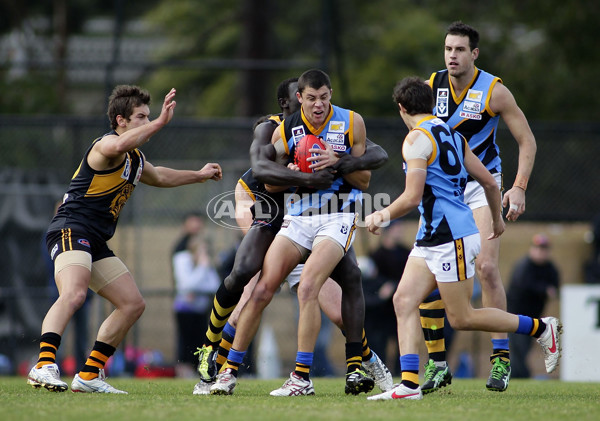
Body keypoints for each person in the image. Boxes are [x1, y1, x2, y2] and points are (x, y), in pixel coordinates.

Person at [193, 76, 392, 395]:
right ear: (293, 101)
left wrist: (337, 163)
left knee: (346, 284)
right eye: (308, 99)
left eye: (323, 98)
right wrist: (299, 174)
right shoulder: (274, 129)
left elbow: (369, 170)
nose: (316, 105)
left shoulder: (345, 122)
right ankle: (215, 357)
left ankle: (360, 362)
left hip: (326, 214)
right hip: (273, 213)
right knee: (248, 279)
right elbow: (261, 175)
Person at [364, 76, 560, 401]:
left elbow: (412, 198)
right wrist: (496, 219)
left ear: (401, 108)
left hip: (450, 237)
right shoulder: (453, 134)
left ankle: (541, 328)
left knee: (462, 318)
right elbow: (490, 182)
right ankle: (410, 384)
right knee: (404, 300)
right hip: (433, 236)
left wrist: (380, 215)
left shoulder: (415, 139)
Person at [26, 85, 222, 394]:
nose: (147, 122)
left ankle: (89, 374)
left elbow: (159, 177)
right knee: (74, 294)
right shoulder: (106, 145)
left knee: (132, 304)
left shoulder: (135, 158)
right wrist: (159, 123)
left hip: (96, 239)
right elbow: (115, 149)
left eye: (148, 116)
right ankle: (44, 364)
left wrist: (198, 174)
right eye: (141, 117)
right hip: (70, 228)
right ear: (121, 120)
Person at [419, 20, 538, 393]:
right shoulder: (431, 86)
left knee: (486, 268)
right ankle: (438, 365)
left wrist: (517, 188)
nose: (452, 56)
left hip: (482, 187)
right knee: (429, 277)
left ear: (474, 54)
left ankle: (501, 359)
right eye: (447, 49)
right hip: (443, 190)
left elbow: (528, 142)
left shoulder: (494, 91)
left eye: (459, 50)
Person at [507, 234, 560, 378]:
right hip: (516, 315)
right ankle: (522, 375)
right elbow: (524, 285)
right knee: (518, 348)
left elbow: (556, 288)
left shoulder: (550, 268)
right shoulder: (524, 265)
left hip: (533, 317)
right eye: (538, 248)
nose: (541, 252)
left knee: (523, 349)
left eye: (544, 249)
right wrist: (544, 289)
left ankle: (518, 375)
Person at [172, 231, 220, 378]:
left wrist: (203, 266)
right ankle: (183, 370)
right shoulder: (181, 259)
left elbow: (214, 286)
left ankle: (196, 370)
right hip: (184, 309)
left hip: (200, 309)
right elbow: (186, 285)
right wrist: (202, 268)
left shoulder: (204, 263)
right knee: (185, 341)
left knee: (200, 342)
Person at [366, 221, 411, 374]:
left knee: (402, 339)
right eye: (397, 229)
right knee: (380, 340)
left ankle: (402, 372)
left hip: (400, 302)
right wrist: (383, 286)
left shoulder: (406, 252)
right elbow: (372, 279)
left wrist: (393, 285)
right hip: (382, 307)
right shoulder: (377, 254)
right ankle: (382, 371)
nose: (400, 232)